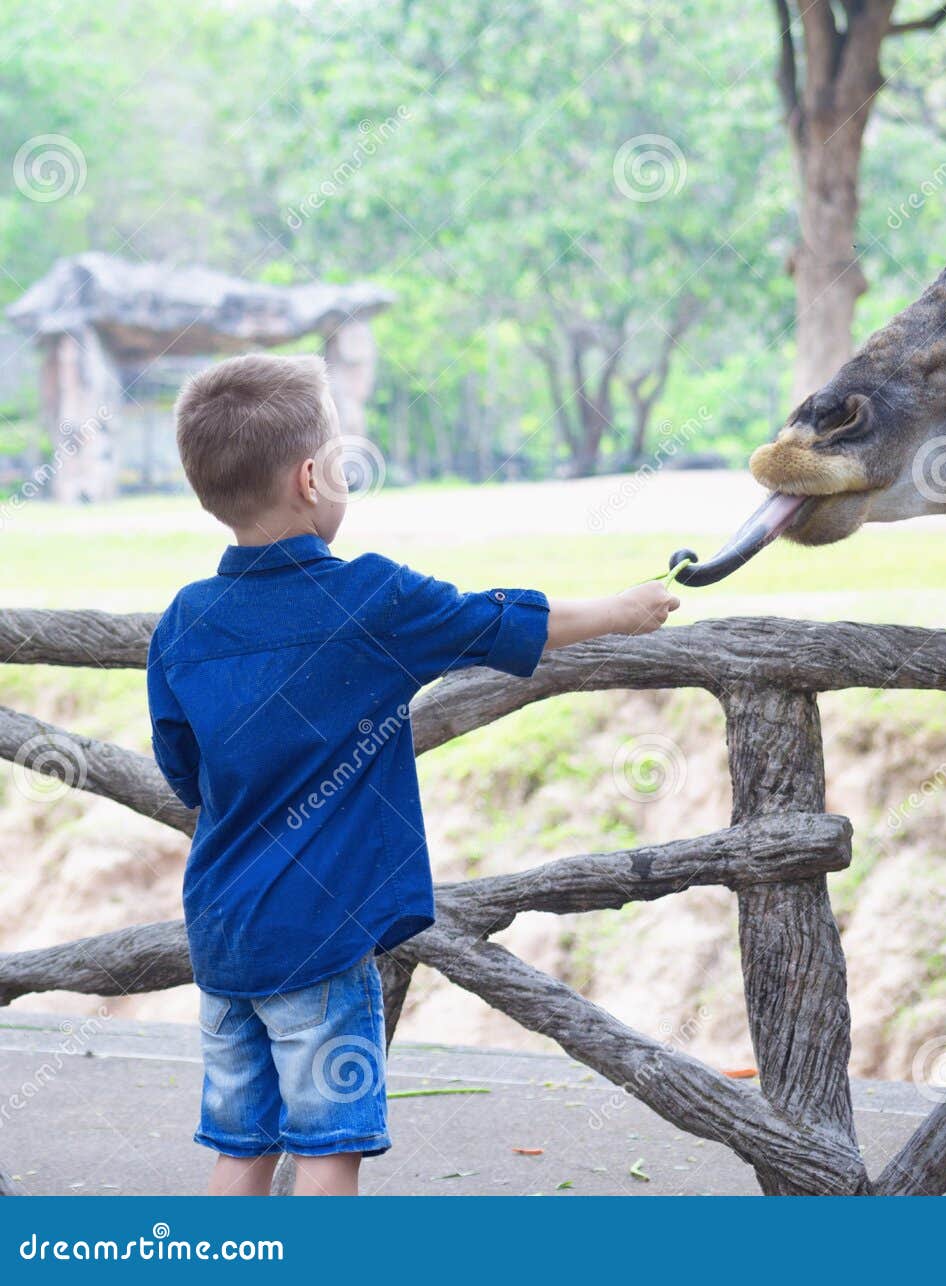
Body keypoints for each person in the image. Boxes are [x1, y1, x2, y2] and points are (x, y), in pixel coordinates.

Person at [147, 353, 678, 1195]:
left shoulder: (184, 620)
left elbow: (183, 771)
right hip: (321, 938)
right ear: (314, 476)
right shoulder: (371, 599)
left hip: (223, 928)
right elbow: (488, 621)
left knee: (241, 1145)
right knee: (328, 1147)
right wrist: (624, 610)